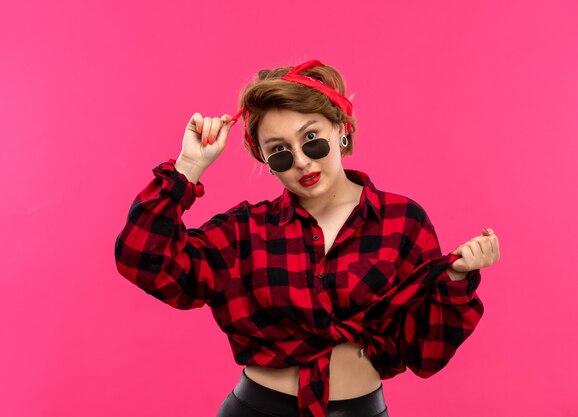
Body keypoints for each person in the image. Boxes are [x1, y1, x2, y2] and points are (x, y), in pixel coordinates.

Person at [114, 60, 500, 417]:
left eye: (312, 138)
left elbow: (425, 355)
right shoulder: (247, 231)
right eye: (279, 152)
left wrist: (454, 280)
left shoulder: (402, 222)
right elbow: (143, 259)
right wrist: (189, 167)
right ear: (266, 163)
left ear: (341, 128)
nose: (301, 161)